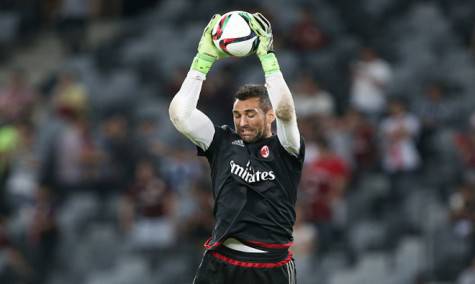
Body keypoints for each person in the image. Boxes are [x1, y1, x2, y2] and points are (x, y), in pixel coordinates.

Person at [169, 13, 304, 284]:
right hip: (220, 260)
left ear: (269, 116)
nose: (242, 121)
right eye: (237, 114)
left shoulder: (286, 148)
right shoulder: (222, 143)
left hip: (269, 265)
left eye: (251, 114)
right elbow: (180, 115)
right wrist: (202, 61)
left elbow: (287, 110)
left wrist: (268, 57)